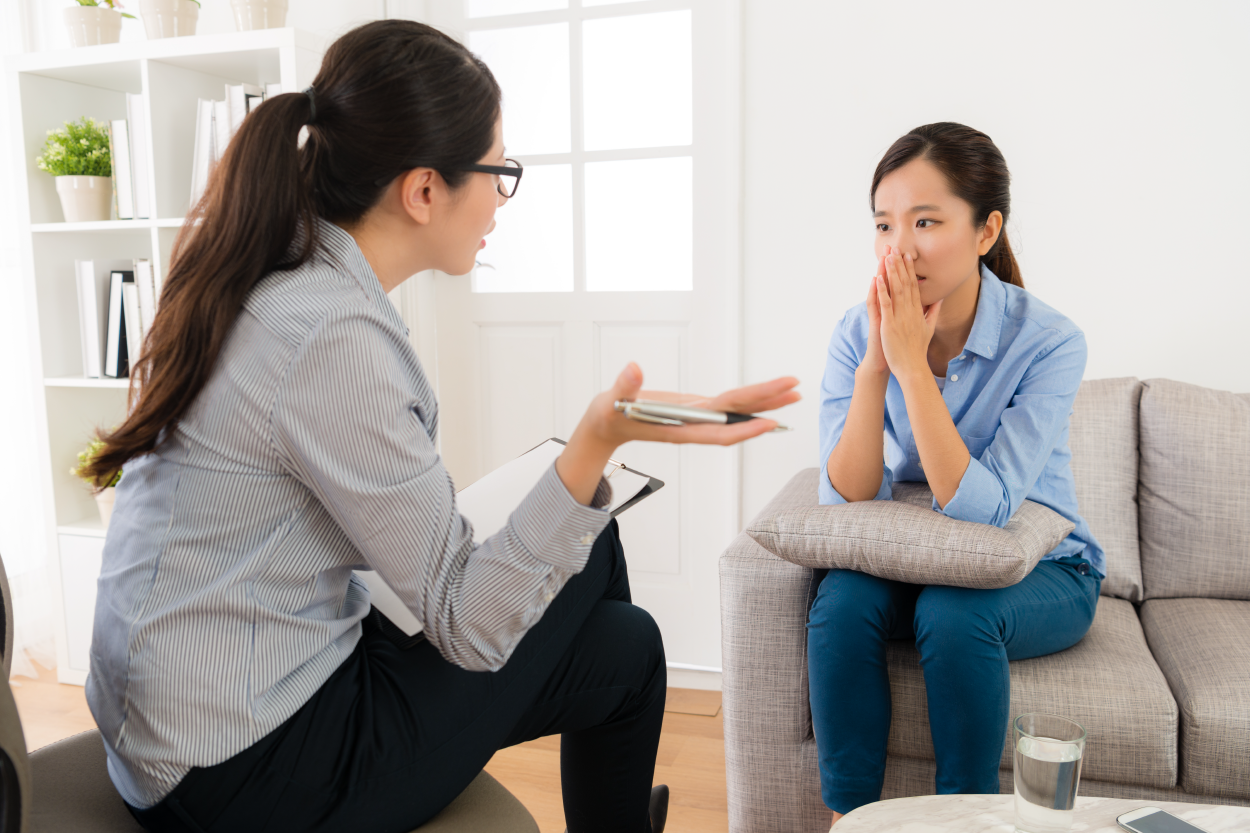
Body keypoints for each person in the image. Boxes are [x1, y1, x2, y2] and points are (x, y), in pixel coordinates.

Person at [81, 20, 798, 833]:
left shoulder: (281, 268)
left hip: (204, 708)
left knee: (623, 635)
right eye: (499, 172)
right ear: (423, 190)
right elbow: (467, 622)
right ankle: (618, 798)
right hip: (246, 771)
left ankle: (618, 805)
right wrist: (601, 435)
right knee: (603, 594)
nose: (501, 196)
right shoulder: (332, 338)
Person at [809, 122, 1104, 827]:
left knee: (954, 608)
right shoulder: (856, 330)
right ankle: (850, 818)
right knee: (841, 599)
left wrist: (913, 364)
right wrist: (878, 361)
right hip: (923, 556)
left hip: (1046, 569)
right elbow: (848, 495)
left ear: (985, 230)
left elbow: (987, 507)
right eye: (884, 224)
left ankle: (961, 818)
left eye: (926, 220)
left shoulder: (1050, 340)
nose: (898, 246)